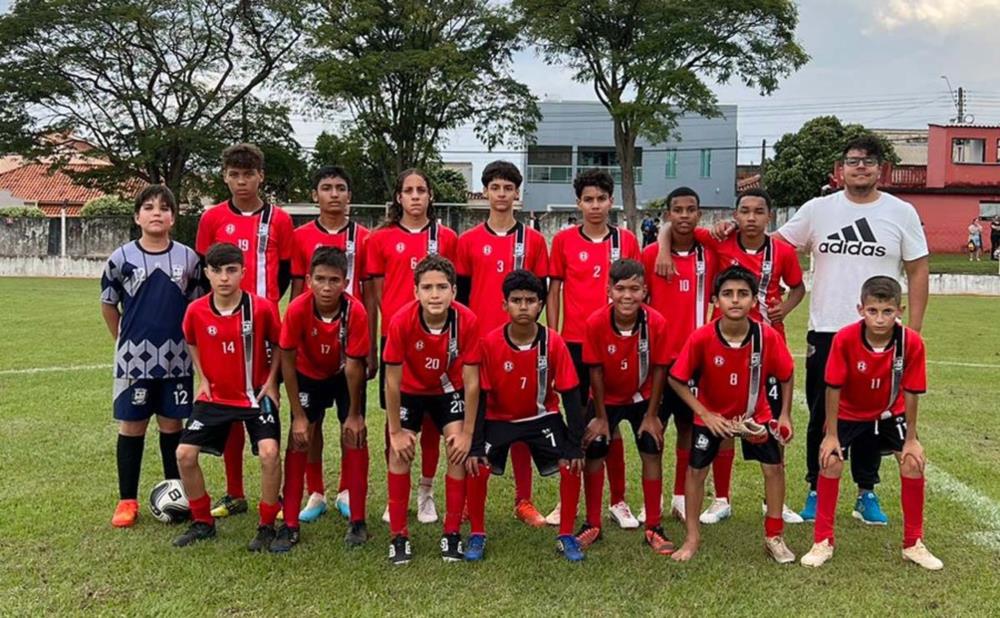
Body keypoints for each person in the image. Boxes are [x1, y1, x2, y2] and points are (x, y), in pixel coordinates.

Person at [666, 135, 929, 524]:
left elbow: (918, 268)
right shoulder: (818, 209)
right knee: (824, 414)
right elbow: (769, 243)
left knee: (875, 414)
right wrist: (728, 227)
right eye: (853, 161)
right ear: (841, 168)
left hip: (881, 330)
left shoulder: (902, 212)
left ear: (880, 169)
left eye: (868, 161)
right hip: (827, 327)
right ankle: (812, 488)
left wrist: (915, 331)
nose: (860, 167)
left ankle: (866, 493)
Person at [655, 188, 805, 525]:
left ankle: (773, 502)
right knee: (723, 419)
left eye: (758, 211)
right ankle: (721, 498)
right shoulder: (720, 242)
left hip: (765, 347)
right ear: (734, 215)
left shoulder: (782, 251)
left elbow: (798, 287)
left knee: (771, 425)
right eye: (745, 211)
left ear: (770, 216)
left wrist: (785, 310)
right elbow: (677, 225)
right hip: (721, 345)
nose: (751, 218)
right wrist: (663, 247)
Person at [801, 276, 941, 570]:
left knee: (913, 462)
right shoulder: (845, 338)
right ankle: (822, 541)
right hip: (849, 412)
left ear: (899, 310)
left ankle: (913, 543)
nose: (880, 319)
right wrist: (831, 435)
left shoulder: (911, 343)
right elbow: (833, 388)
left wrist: (912, 438)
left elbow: (913, 391)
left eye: (887, 311)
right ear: (860, 309)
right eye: (873, 311)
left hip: (891, 411)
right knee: (830, 461)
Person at [667, 266, 796, 563]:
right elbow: (677, 378)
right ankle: (692, 537)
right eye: (727, 294)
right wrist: (705, 413)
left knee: (774, 469)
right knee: (696, 471)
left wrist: (785, 414)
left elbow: (787, 374)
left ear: (754, 301)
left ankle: (774, 536)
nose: (735, 300)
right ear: (715, 300)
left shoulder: (767, 336)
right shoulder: (702, 337)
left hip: (755, 415)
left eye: (743, 294)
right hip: (713, 417)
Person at [195, 143, 294, 519]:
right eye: (234, 174)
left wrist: (264, 307)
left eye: (248, 174)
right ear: (224, 176)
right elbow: (207, 268)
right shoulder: (212, 218)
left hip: (263, 327)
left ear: (260, 176)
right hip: (224, 327)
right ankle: (235, 492)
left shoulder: (280, 220)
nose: (241, 182)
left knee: (267, 400)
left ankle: (277, 493)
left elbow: (284, 271)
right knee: (229, 403)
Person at [464, 270, 587, 562]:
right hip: (500, 419)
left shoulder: (554, 342)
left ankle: (566, 534)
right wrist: (476, 443)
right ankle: (477, 533)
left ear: (541, 305)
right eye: (516, 300)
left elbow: (571, 394)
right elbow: (480, 397)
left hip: (541, 417)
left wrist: (574, 443)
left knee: (571, 463)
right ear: (504, 305)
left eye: (530, 300)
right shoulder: (490, 343)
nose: (523, 306)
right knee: (477, 464)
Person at [100, 185, 202, 528]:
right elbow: (108, 304)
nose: (156, 213)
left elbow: (197, 307)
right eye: (148, 207)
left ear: (174, 216)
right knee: (132, 426)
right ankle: (126, 500)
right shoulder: (121, 258)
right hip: (134, 361)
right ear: (136, 216)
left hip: (177, 359)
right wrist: (123, 341)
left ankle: (178, 492)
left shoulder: (189, 259)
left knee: (172, 425)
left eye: (164, 208)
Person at [456, 160, 550, 527]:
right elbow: (461, 298)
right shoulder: (467, 242)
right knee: (475, 422)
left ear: (516, 194)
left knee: (522, 421)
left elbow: (539, 297)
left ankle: (523, 501)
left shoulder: (535, 241)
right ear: (486, 193)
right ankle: (466, 500)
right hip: (479, 347)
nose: (501, 195)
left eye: (508, 188)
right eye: (495, 187)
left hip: (521, 346)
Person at [172, 243, 283, 550]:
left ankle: (266, 525)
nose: (224, 278)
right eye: (217, 270)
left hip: (253, 395)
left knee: (270, 453)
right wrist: (203, 378)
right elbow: (192, 340)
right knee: (184, 454)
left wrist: (273, 382)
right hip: (215, 397)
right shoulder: (195, 311)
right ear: (206, 273)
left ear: (243, 273)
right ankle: (202, 522)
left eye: (231, 270)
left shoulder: (260, 308)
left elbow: (281, 346)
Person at [548, 168, 641, 529]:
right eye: (588, 199)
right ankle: (566, 500)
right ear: (578, 203)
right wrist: (554, 335)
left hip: (616, 345)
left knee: (612, 421)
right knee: (578, 424)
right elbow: (555, 289)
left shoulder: (626, 241)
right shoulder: (564, 241)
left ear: (611, 201)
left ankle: (618, 500)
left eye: (601, 198)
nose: (595, 205)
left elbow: (634, 289)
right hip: (573, 343)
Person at [366, 168, 459, 525]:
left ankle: (426, 492)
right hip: (398, 339)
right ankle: (397, 498)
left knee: (435, 422)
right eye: (409, 190)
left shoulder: (447, 237)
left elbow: (454, 290)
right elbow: (374, 298)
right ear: (399, 197)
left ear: (431, 196)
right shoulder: (381, 239)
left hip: (438, 338)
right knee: (398, 421)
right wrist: (375, 347)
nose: (416, 196)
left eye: (422, 190)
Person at [288, 166, 374, 523]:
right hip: (310, 350)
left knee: (352, 422)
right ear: (315, 195)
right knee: (310, 426)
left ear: (350, 195)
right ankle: (316, 492)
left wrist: (369, 348)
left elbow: (368, 295)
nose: (334, 194)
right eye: (327, 188)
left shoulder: (366, 237)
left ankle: (347, 491)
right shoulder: (300, 236)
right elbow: (296, 293)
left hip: (350, 345)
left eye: (341, 187)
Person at [383, 255, 479, 564]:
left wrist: (467, 433)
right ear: (416, 292)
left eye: (441, 287)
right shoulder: (401, 321)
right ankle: (399, 536)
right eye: (427, 288)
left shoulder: (467, 321)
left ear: (454, 291)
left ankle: (451, 533)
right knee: (399, 453)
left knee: (457, 451)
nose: (434, 295)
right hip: (411, 391)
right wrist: (395, 432)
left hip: (447, 391)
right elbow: (392, 383)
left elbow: (473, 383)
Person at [578, 259, 675, 555]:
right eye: (620, 288)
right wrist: (601, 418)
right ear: (608, 290)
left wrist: (651, 415)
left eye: (635, 289)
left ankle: (654, 526)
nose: (627, 296)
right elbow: (594, 371)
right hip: (606, 398)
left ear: (645, 291)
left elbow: (660, 369)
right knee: (595, 446)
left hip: (642, 396)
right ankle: (592, 523)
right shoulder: (595, 322)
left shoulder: (656, 322)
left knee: (651, 445)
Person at [276, 247, 370, 551]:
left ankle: (358, 520)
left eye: (334, 280)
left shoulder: (355, 311)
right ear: (308, 280)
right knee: (300, 438)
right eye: (320, 279)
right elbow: (287, 362)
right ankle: (290, 523)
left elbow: (356, 366)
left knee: (355, 435)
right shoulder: (297, 309)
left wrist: (354, 414)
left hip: (343, 375)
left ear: (345, 282)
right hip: (307, 375)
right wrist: (298, 415)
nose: (326, 287)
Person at [641, 187, 717, 524]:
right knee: (654, 431)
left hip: (696, 361)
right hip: (658, 361)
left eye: (691, 209)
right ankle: (652, 502)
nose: (684, 215)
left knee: (689, 429)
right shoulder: (649, 257)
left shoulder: (710, 253)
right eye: (677, 210)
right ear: (668, 214)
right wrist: (662, 245)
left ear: (699, 214)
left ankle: (681, 497)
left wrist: (666, 239)